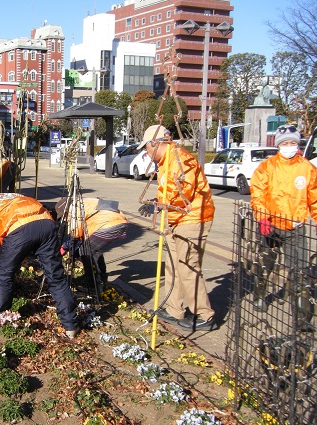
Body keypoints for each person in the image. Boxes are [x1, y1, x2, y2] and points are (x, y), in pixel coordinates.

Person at [0, 193, 80, 338]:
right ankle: (71, 325)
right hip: (46, 223)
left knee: (2, 274)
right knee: (55, 276)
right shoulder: (2, 198)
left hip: (20, 228)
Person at [138, 125, 217, 331]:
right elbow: (169, 189)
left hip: (192, 219)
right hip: (175, 219)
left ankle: (205, 315)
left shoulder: (181, 159)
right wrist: (157, 200)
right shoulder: (166, 162)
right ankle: (175, 309)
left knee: (188, 267)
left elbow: (184, 192)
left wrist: (159, 201)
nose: (147, 154)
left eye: (146, 149)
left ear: (155, 144)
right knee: (173, 265)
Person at [250, 124, 317, 331]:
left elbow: (315, 195)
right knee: (265, 265)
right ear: (278, 145)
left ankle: (301, 320)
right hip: (271, 225)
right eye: (285, 143)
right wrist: (262, 217)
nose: (289, 146)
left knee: (300, 273)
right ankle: (259, 295)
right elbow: (257, 193)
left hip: (296, 226)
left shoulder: (307, 168)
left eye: (293, 142)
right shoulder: (268, 166)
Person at [55, 197, 128, 287]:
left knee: (85, 251)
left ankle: (92, 282)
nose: (65, 219)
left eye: (64, 216)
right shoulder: (85, 201)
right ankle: (101, 278)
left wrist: (64, 248)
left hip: (108, 224)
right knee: (93, 250)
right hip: (119, 221)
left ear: (66, 211)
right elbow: (81, 236)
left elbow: (75, 233)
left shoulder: (74, 208)